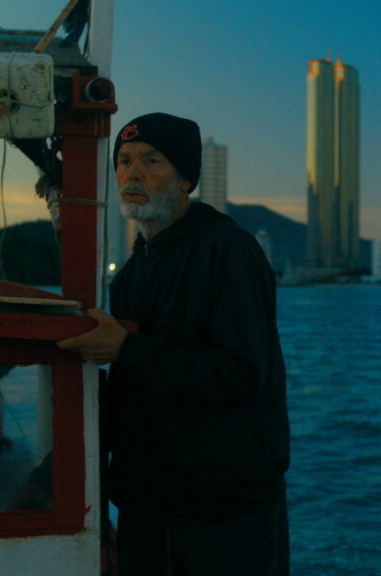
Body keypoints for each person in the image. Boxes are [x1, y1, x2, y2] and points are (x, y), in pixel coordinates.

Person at [58, 113, 290, 575]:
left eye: (151, 160)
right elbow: (132, 390)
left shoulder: (229, 250)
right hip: (148, 513)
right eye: (123, 162)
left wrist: (126, 350)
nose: (132, 173)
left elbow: (242, 373)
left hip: (224, 519)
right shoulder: (131, 274)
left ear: (186, 179)